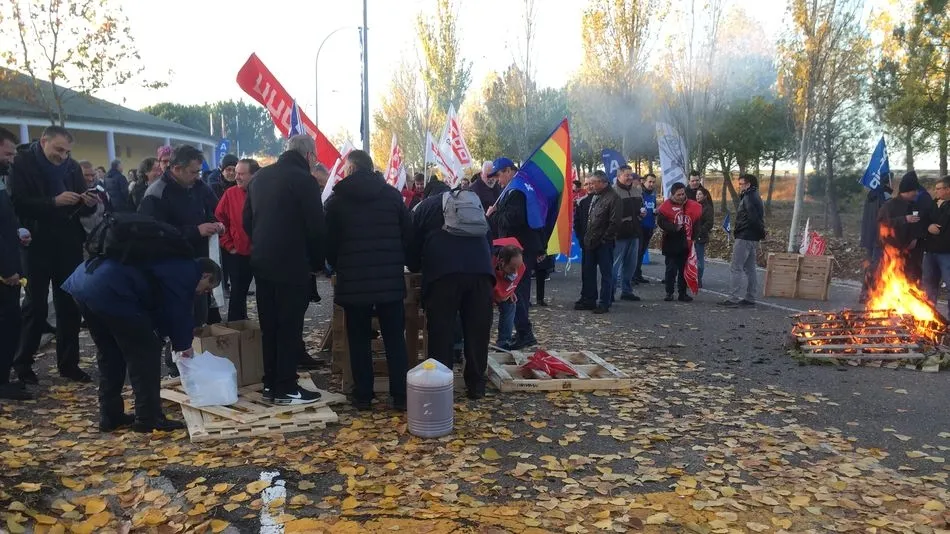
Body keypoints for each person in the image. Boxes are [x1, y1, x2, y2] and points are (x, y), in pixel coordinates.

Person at [62, 256, 221, 432]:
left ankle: (110, 415)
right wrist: (183, 345)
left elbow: (157, 308)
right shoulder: (186, 276)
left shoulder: (175, 264)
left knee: (110, 353)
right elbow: (178, 314)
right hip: (111, 291)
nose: (205, 293)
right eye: (208, 287)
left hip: (84, 282)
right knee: (146, 354)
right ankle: (148, 418)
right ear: (205, 274)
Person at [8, 125, 98, 384]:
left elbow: (81, 209)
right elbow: (17, 202)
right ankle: (23, 363)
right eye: (59, 150)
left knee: (69, 304)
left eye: (68, 152)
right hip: (34, 243)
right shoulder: (21, 162)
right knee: (34, 306)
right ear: (44, 141)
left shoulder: (70, 167)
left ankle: (69, 364)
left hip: (68, 242)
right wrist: (53, 202)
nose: (63, 156)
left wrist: (86, 202)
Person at [324, 150, 412, 411]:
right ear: (371, 168)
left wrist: (337, 264)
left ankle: (363, 395)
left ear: (350, 169)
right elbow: (408, 234)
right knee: (395, 338)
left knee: (359, 339)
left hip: (354, 282)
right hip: (389, 281)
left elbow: (329, 242)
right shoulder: (392, 196)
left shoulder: (337, 200)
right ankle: (401, 396)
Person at [243, 135, 325, 405]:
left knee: (270, 326)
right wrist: (316, 263)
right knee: (289, 326)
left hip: (262, 262)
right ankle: (287, 387)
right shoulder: (305, 182)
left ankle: (271, 384)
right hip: (293, 264)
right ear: (309, 156)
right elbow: (316, 227)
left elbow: (247, 220)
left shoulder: (260, 178)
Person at [409, 178, 494, 400]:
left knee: (441, 331)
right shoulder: (473, 202)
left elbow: (412, 242)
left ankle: (441, 386)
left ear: (428, 193)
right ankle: (476, 385)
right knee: (477, 331)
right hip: (481, 273)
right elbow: (489, 237)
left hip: (443, 274)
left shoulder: (426, 207)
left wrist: (417, 266)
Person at [139, 145, 222, 325]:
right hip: (171, 269)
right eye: (193, 172)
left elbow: (216, 210)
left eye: (199, 172)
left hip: (198, 265)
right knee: (178, 326)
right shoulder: (156, 193)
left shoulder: (199, 186)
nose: (197, 176)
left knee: (199, 322)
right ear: (176, 169)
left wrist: (216, 223)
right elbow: (152, 234)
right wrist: (195, 231)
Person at [487, 157, 539, 348]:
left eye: (499, 174)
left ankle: (525, 334)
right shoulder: (513, 188)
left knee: (517, 293)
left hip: (518, 251)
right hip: (515, 248)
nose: (498, 179)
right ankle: (522, 332)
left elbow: (513, 219)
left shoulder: (517, 191)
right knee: (515, 292)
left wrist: (494, 213)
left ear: (509, 171)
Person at [0, 127, 31, 400]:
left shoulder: (1, 178)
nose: (11, 159)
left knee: (11, 325)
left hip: (10, 265)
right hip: (4, 273)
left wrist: (18, 230)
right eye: (7, 153)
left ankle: (4, 377)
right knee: (6, 325)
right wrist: (7, 269)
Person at [215, 158, 258, 321]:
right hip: (238, 253)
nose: (237, 177)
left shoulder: (265, 193)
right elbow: (219, 220)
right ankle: (235, 332)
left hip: (261, 253)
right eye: (236, 173)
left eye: (241, 173)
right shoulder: (230, 194)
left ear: (254, 175)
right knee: (237, 294)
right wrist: (228, 245)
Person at [573, 171, 621, 313]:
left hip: (603, 243)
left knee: (606, 273)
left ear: (602, 182)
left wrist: (605, 239)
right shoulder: (596, 196)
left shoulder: (613, 198)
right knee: (588, 271)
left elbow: (615, 223)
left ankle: (604, 302)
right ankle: (589, 299)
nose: (591, 185)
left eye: (593, 182)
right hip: (590, 241)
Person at [719, 174, 765, 307]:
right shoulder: (755, 195)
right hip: (752, 237)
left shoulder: (749, 198)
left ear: (748, 184)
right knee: (750, 268)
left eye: (741, 184)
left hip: (745, 236)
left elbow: (752, 218)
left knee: (736, 267)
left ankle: (733, 298)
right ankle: (750, 297)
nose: (740, 186)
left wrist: (740, 231)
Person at [657, 182, 703, 302]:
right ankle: (669, 292)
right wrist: (673, 227)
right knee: (671, 269)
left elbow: (697, 222)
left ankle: (682, 293)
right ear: (672, 195)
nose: (682, 196)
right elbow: (661, 222)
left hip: (685, 243)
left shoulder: (691, 205)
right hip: (671, 241)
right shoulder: (666, 206)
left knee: (684, 269)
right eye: (679, 195)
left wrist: (694, 236)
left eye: (683, 194)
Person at [859, 176, 893, 303]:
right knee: (877, 266)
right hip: (879, 238)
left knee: (870, 266)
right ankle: (872, 294)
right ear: (888, 181)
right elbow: (888, 219)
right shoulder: (885, 197)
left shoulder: (871, 196)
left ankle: (864, 293)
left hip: (869, 236)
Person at [613, 165, 643, 302]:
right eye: (627, 175)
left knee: (631, 265)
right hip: (618, 235)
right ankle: (610, 292)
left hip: (634, 233)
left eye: (631, 175)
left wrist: (641, 215)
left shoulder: (637, 191)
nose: (630, 177)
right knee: (614, 265)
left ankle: (626, 291)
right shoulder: (613, 192)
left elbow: (639, 211)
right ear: (619, 176)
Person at [922, 176, 950, 316]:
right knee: (929, 286)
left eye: (939, 189)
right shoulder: (934, 203)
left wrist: (941, 209)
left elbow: (942, 225)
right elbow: (925, 219)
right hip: (930, 252)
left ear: (948, 189)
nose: (936, 191)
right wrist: (928, 226)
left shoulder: (944, 206)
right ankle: (928, 316)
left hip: (946, 253)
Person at [492, 239, 525, 349]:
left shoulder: (520, 266)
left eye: (518, 267)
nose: (515, 272)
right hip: (483, 287)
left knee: (510, 304)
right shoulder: (488, 261)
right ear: (501, 262)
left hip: (499, 286)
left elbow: (514, 281)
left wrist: (510, 291)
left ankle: (504, 342)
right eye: (512, 268)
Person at [901, 171, 933, 283]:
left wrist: (914, 237)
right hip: (908, 238)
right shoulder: (913, 196)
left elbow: (921, 219)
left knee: (914, 267)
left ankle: (915, 290)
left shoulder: (923, 197)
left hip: (919, 239)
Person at [78, 160, 112, 240]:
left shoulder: (103, 193)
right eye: (86, 175)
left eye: (92, 175)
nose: (90, 178)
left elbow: (109, 213)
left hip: (102, 238)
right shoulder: (72, 193)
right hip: (81, 240)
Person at [634, 173, 658, 284]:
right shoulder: (640, 194)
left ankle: (638, 274)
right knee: (637, 253)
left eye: (653, 182)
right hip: (639, 228)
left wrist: (656, 214)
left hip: (649, 227)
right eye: (650, 181)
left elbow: (654, 209)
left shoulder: (653, 195)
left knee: (642, 252)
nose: (651, 184)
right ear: (644, 182)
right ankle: (633, 275)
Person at [694, 188, 715, 288]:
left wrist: (699, 231)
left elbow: (709, 223)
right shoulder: (694, 206)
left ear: (705, 196)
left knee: (699, 259)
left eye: (700, 194)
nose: (697, 196)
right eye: (697, 194)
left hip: (700, 237)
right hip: (692, 236)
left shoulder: (707, 208)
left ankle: (699, 279)